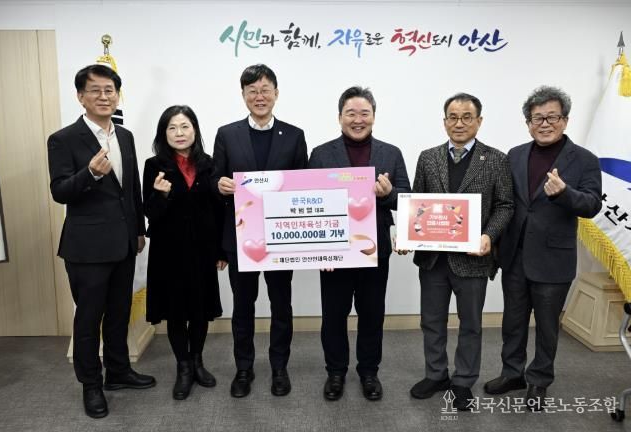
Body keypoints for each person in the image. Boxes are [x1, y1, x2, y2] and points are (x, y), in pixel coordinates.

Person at [47, 64, 155, 419]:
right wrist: (90, 173)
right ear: (81, 97)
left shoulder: (125, 136)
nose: (104, 96)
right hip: (87, 249)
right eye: (95, 90)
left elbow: (131, 190)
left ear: (117, 95)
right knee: (88, 320)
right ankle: (91, 385)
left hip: (124, 244)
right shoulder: (63, 139)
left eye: (110, 90)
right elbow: (60, 191)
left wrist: (139, 230)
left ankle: (118, 371)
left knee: (119, 313)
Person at [484, 86, 602, 410]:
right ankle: (512, 374)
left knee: (547, 327)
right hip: (514, 255)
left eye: (552, 117)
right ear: (528, 123)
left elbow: (592, 205)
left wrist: (564, 193)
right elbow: (504, 201)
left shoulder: (585, 160)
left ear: (565, 120)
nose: (545, 123)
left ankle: (539, 381)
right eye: (538, 118)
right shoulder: (515, 154)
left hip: (553, 259)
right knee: (513, 322)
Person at [408, 93, 513, 411]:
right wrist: (409, 235)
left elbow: (505, 205)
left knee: (470, 323)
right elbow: (417, 203)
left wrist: (488, 235)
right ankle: (436, 374)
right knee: (431, 321)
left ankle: (463, 381)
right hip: (433, 259)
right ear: (444, 122)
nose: (459, 123)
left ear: (479, 121)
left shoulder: (496, 159)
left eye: (467, 117)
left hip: (473, 259)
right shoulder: (428, 158)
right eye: (453, 117)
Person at [308, 86, 411, 401]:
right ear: (339, 117)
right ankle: (335, 372)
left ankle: (369, 372)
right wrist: (319, 251)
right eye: (350, 113)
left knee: (372, 314)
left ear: (374, 117)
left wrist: (388, 194)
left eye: (364, 113)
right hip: (334, 251)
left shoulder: (390, 152)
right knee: (333, 315)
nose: (358, 119)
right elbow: (308, 201)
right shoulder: (321, 154)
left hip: (375, 248)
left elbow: (406, 197)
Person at [212, 64, 308, 398]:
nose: (259, 96)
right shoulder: (227, 134)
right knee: (243, 306)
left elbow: (303, 186)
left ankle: (279, 367)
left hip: (281, 238)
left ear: (276, 93)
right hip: (241, 238)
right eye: (252, 90)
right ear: (243, 95)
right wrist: (219, 185)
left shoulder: (294, 135)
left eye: (265, 89)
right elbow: (214, 180)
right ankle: (244, 368)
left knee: (281, 305)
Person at [143, 105, 227, 400]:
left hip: (203, 249)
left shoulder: (209, 164)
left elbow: (219, 210)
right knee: (176, 311)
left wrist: (222, 251)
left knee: (200, 310)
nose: (179, 133)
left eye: (184, 126)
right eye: (172, 128)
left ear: (195, 130)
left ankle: (197, 361)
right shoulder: (153, 165)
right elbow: (150, 212)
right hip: (169, 252)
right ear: (163, 133)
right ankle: (183, 367)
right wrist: (161, 195)